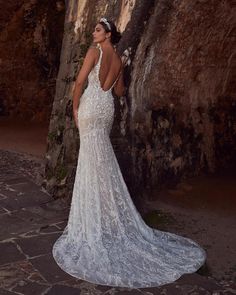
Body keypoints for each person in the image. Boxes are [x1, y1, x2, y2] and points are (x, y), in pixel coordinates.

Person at [52, 17, 206, 289]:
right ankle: (104, 217)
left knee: (91, 160)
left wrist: (75, 108)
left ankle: (93, 222)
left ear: (108, 34)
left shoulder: (94, 51)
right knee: (101, 160)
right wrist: (117, 75)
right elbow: (119, 91)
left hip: (90, 107)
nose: (93, 32)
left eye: (98, 30)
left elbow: (78, 82)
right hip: (106, 110)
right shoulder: (118, 60)